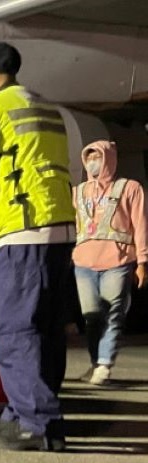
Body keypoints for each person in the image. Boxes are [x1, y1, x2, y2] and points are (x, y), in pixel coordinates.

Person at [0, 42, 75, 452]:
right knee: (45, 330)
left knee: (15, 331)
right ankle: (22, 413)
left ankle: (38, 423)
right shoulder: (45, 108)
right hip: (57, 231)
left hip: (24, 239)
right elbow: (29, 181)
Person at [72, 140, 148, 386]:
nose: (94, 162)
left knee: (114, 313)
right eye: (90, 157)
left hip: (118, 261)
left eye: (98, 157)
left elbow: (141, 225)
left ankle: (104, 363)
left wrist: (143, 262)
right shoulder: (79, 191)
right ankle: (96, 362)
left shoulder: (130, 189)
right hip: (83, 263)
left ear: (109, 159)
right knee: (92, 317)